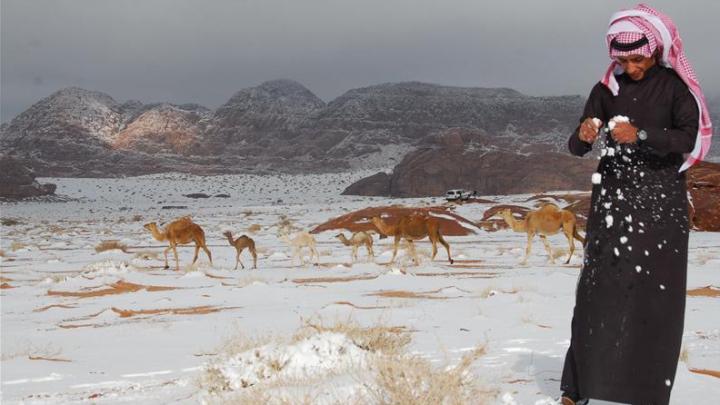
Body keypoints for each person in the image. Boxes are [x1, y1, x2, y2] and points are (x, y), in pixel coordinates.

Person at [561, 4, 712, 405]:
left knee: (653, 295)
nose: (631, 65)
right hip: (612, 200)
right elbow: (577, 148)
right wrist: (584, 133)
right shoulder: (604, 91)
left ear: (655, 49)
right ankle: (577, 388)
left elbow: (688, 139)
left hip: (661, 202)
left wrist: (642, 135)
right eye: (623, 58)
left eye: (638, 58)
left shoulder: (676, 89)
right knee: (597, 291)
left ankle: (644, 392)